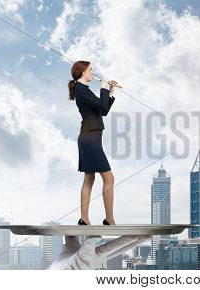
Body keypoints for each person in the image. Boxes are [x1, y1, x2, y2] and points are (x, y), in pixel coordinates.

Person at [67, 60, 118, 226]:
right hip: (91, 138)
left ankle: (84, 219)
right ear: (83, 72)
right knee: (109, 178)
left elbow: (101, 110)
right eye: (90, 70)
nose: (92, 72)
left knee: (89, 178)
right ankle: (109, 220)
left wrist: (110, 91)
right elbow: (102, 108)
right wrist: (103, 87)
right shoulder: (82, 90)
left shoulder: (83, 91)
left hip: (88, 137)